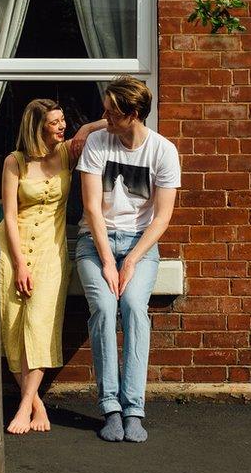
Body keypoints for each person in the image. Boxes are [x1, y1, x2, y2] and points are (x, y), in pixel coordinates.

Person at [75, 76, 180, 443]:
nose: (105, 117)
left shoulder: (163, 151)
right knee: (104, 307)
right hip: (95, 241)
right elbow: (91, 207)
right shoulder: (97, 143)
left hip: (141, 243)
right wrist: (107, 261)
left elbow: (162, 217)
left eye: (112, 112)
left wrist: (132, 260)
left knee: (135, 307)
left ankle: (134, 408)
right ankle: (111, 408)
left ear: (133, 114)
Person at [0, 98, 106, 434]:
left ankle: (22, 406)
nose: (62, 126)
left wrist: (125, 115)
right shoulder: (14, 162)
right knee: (13, 326)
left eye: (62, 121)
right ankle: (36, 402)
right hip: (12, 249)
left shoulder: (66, 154)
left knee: (41, 326)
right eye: (55, 122)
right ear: (37, 127)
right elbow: (10, 217)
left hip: (50, 250)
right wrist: (18, 265)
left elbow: (90, 128)